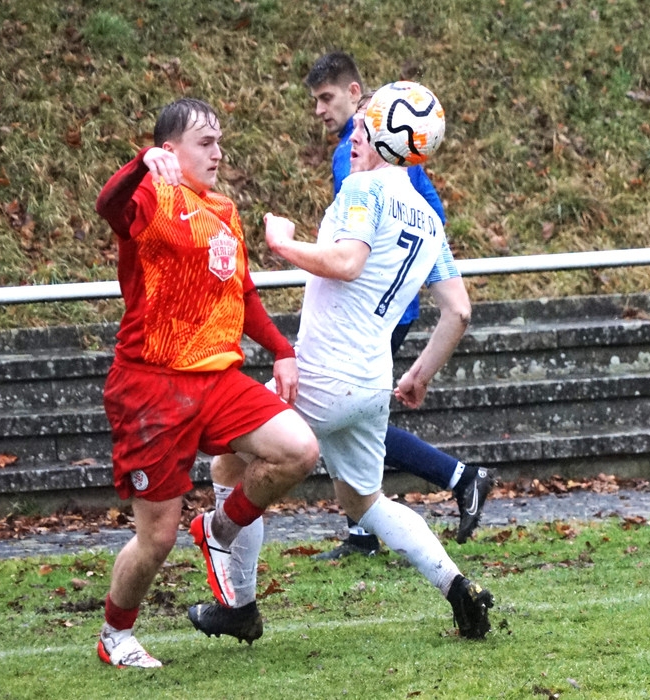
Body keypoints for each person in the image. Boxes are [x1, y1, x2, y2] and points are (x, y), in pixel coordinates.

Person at [189, 90, 493, 642]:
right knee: (364, 502)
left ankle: (238, 604)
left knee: (229, 464)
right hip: (372, 382)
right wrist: (420, 374)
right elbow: (459, 310)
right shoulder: (429, 219)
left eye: (363, 127)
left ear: (386, 137)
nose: (353, 136)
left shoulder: (363, 189)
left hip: (324, 376)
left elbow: (348, 263)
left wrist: (283, 243)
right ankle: (457, 588)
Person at [92, 97, 320, 668]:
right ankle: (115, 635)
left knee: (299, 450)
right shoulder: (150, 194)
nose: (218, 152)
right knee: (156, 538)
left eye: (220, 141)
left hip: (217, 378)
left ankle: (219, 528)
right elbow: (108, 206)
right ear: (170, 151)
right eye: (205, 142)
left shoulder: (223, 209)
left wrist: (281, 349)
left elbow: (241, 293)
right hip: (151, 387)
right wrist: (140, 164)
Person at [305, 51, 492, 557]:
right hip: (398, 293)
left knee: (348, 414)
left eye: (327, 98)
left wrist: (285, 245)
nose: (320, 110)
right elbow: (434, 225)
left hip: (372, 305)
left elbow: (353, 250)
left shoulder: (360, 161)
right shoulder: (399, 157)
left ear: (356, 94)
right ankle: (374, 526)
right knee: (359, 412)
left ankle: (454, 480)